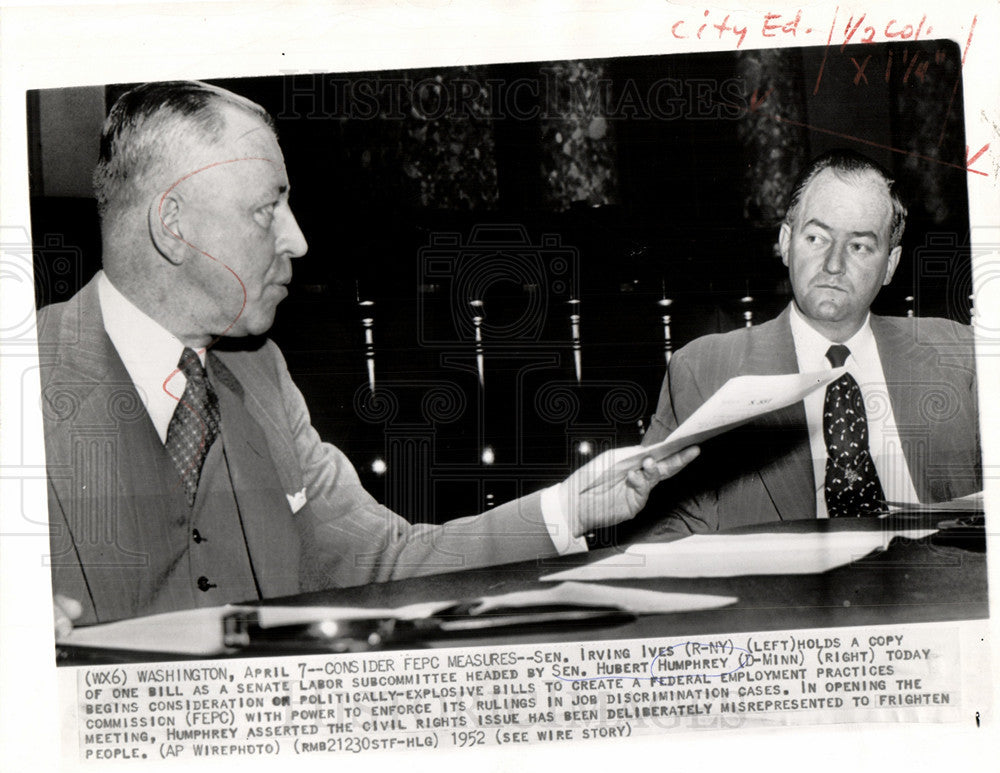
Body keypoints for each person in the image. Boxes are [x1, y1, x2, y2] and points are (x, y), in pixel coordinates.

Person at [40, 80, 699, 636]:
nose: (297, 240)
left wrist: (571, 507)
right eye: (268, 209)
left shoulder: (259, 372)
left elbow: (383, 562)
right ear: (174, 226)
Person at [640, 149, 979, 534]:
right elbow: (661, 531)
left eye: (859, 246)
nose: (833, 265)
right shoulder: (704, 369)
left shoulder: (959, 354)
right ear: (786, 242)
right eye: (817, 237)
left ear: (890, 265)